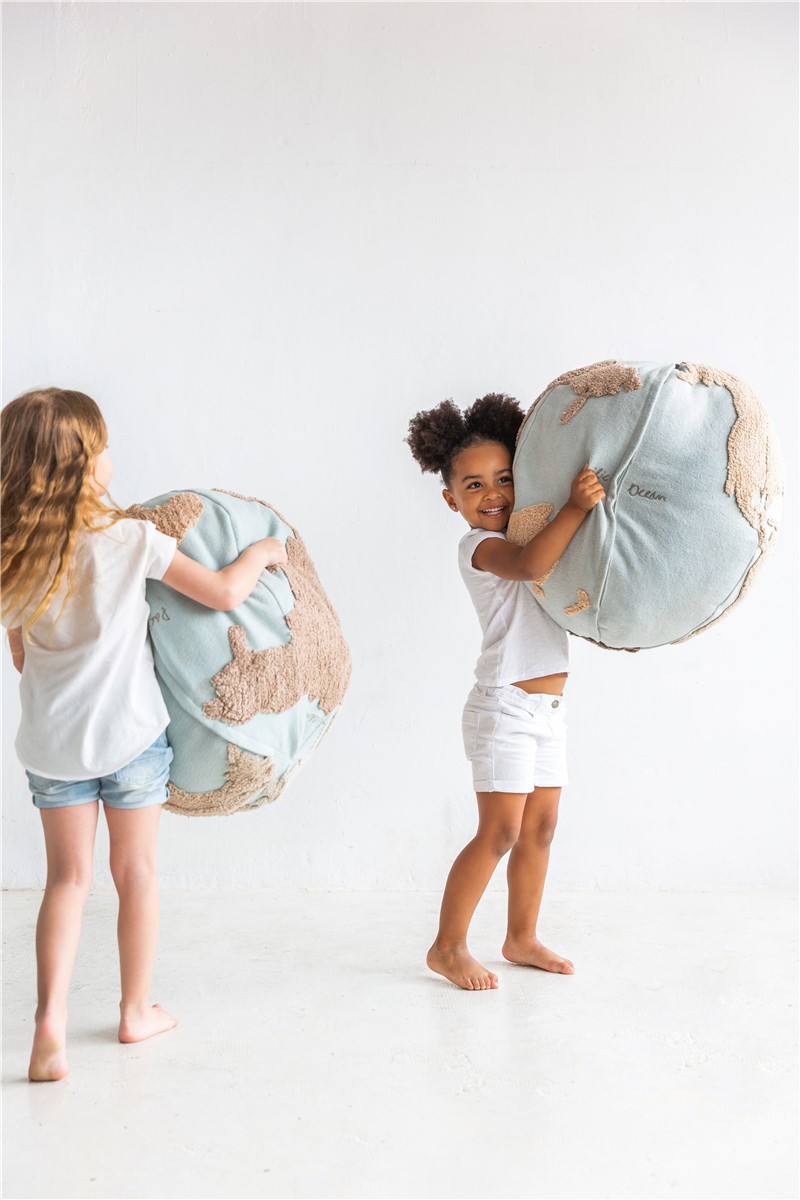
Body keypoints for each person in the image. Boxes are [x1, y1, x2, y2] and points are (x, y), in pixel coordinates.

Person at [1, 387, 288, 1080]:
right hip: (130, 740)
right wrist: (263, 552)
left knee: (66, 880)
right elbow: (223, 593)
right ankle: (134, 1012)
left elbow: (20, 658)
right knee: (137, 876)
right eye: (102, 448)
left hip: (52, 747)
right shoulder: (128, 539)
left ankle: (49, 1021)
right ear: (84, 464)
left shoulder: (13, 555)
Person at [406, 394, 604, 990]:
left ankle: (521, 938)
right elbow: (528, 567)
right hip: (504, 708)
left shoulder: (530, 531)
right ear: (452, 500)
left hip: (547, 711)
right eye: (473, 485)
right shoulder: (479, 548)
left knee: (541, 829)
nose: (492, 493)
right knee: (500, 832)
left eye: (504, 478)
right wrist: (574, 507)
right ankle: (446, 947)